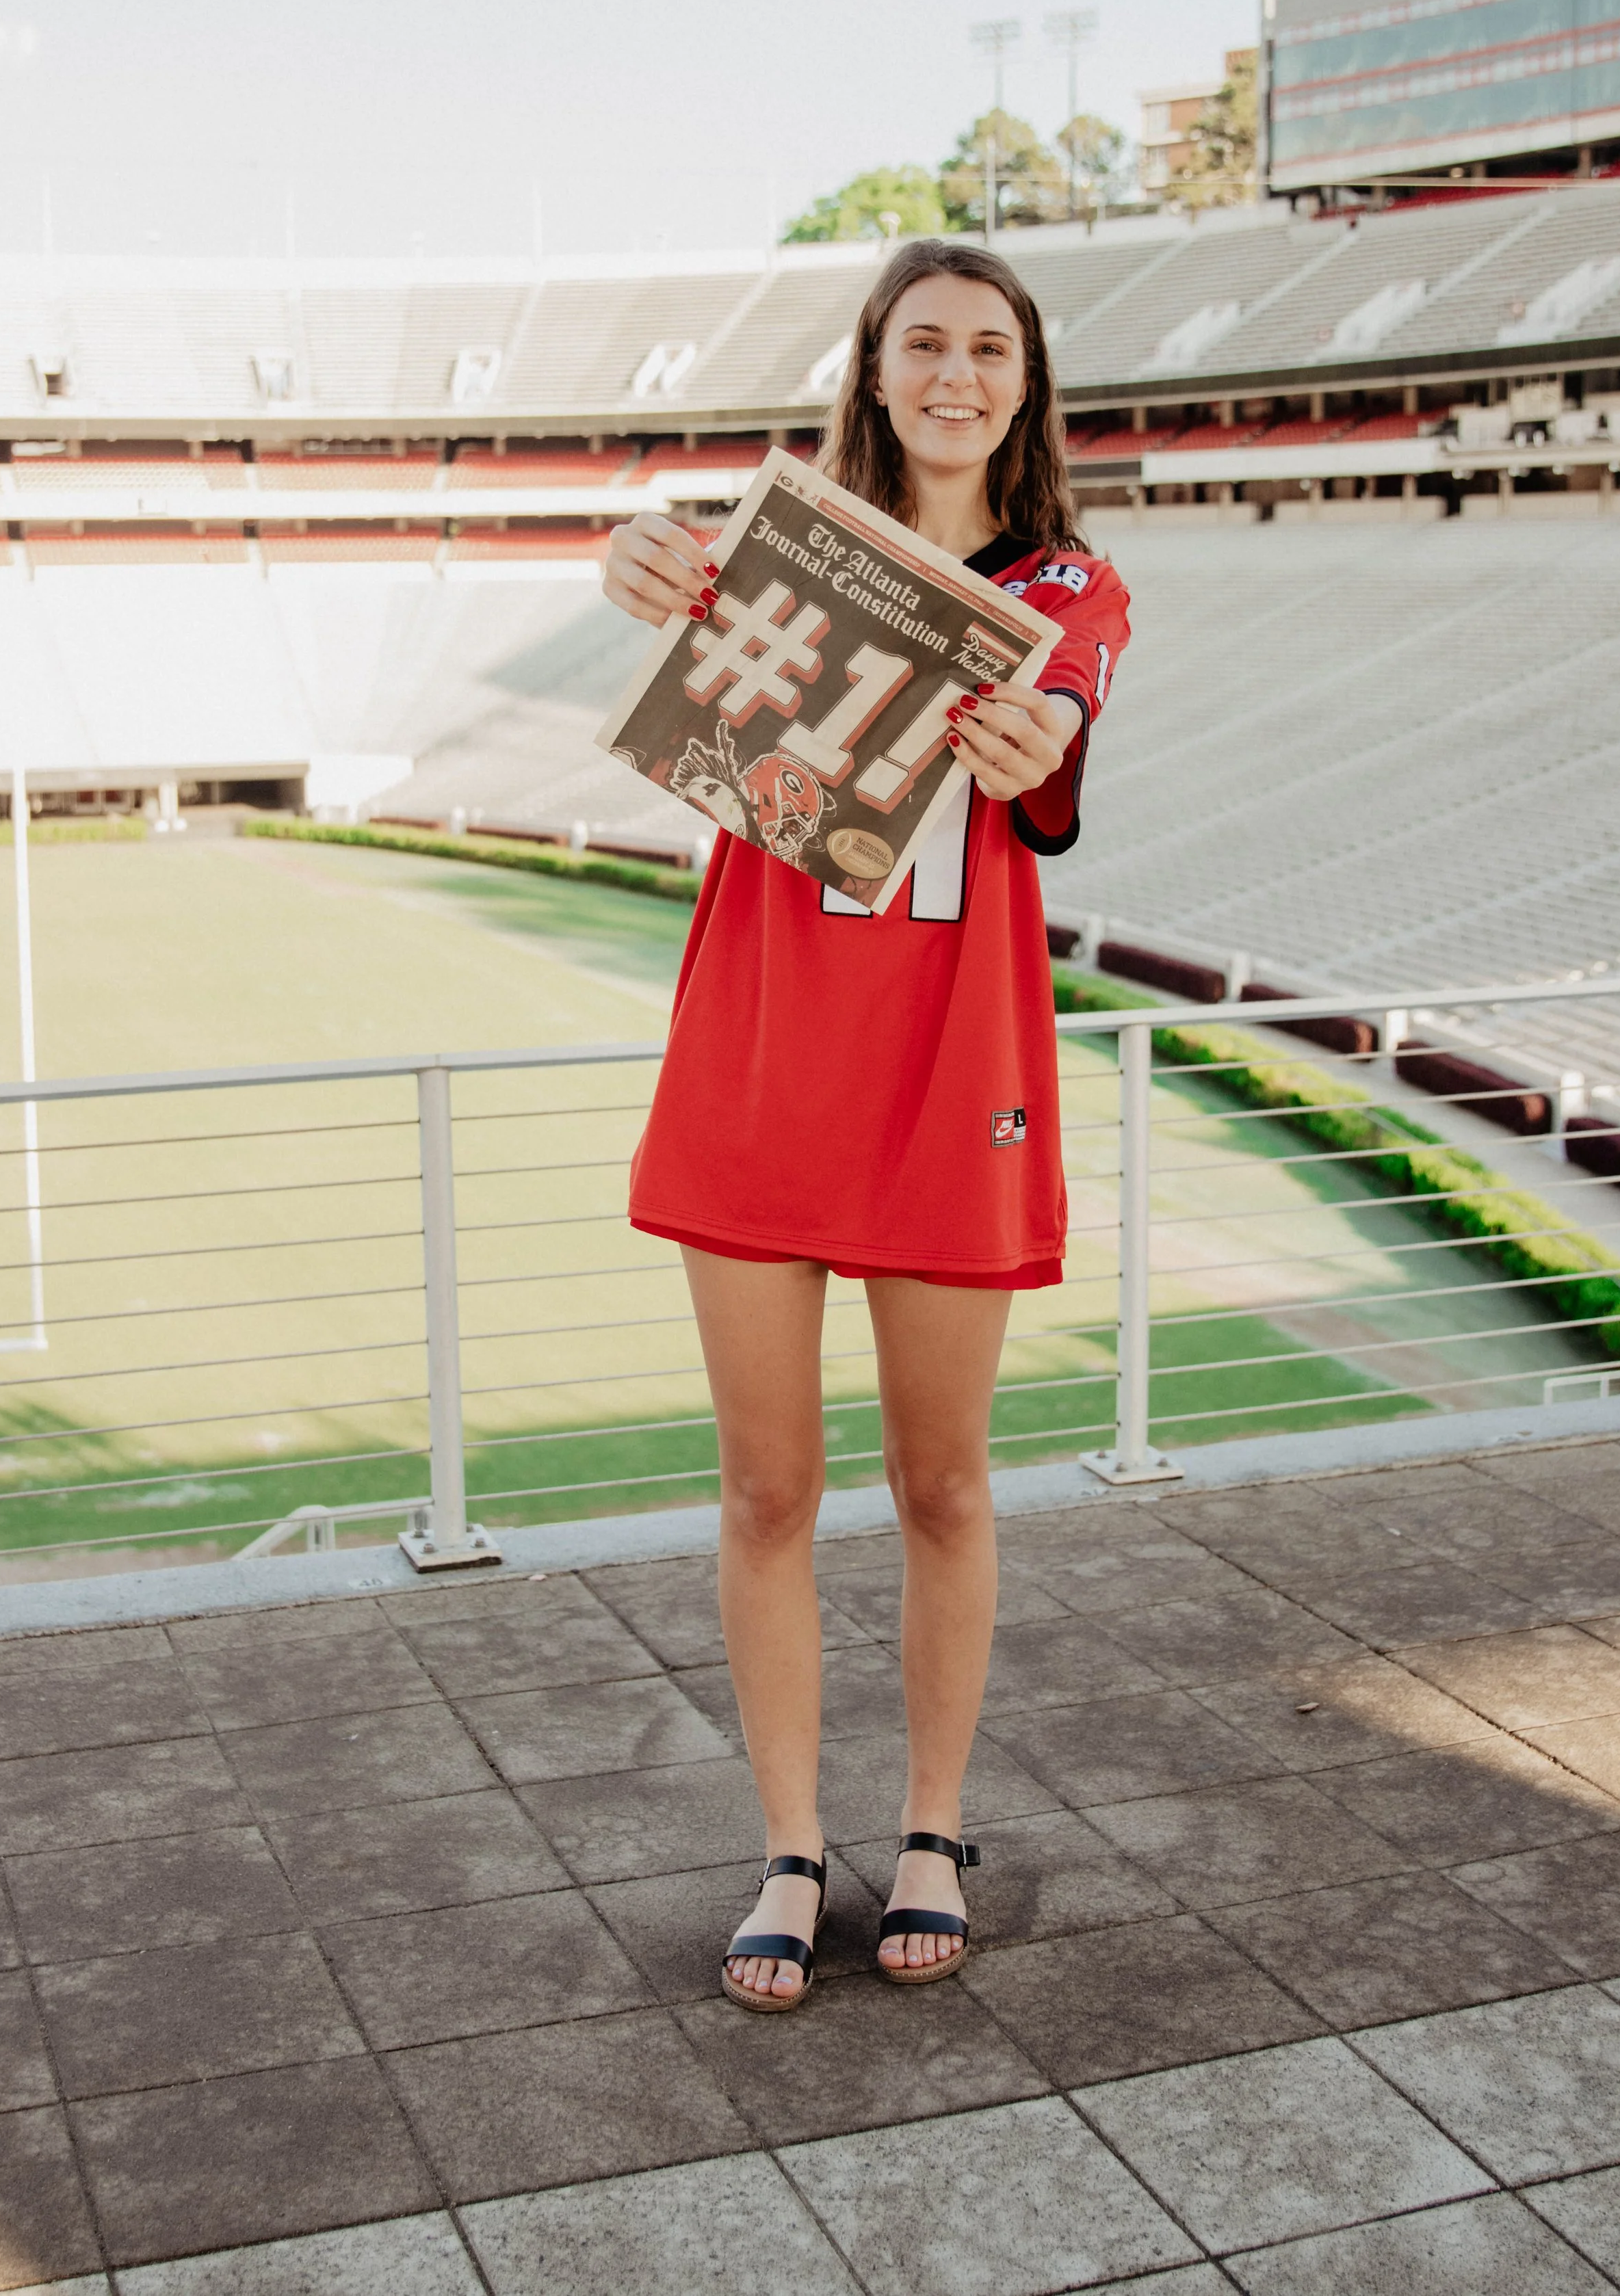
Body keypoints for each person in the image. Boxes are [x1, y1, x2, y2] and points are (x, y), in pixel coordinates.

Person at [601, 238, 1130, 2009]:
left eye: (989, 346)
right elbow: (656, 568)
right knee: (765, 1481)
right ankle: (784, 1840)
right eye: (925, 342)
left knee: (938, 1478)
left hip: (942, 1065)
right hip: (759, 1044)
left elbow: (1061, 716)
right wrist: (632, 550)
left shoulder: (1071, 583)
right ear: (876, 364)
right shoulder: (781, 537)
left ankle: (927, 1825)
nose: (955, 374)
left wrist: (1032, 725)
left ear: (1024, 380)